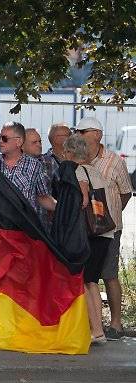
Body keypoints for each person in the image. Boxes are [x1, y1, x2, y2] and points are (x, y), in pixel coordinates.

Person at [75, 116, 132, 340]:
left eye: (83, 131)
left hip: (109, 229)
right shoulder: (78, 160)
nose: (78, 135)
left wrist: (111, 214)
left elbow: (126, 192)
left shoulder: (114, 161)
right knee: (88, 277)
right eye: (77, 132)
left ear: (97, 134)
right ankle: (92, 324)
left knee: (109, 274)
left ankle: (116, 324)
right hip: (85, 230)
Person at [62, 134, 115, 345]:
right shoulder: (95, 170)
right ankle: (98, 330)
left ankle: (95, 330)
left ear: (71, 153)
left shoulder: (78, 170)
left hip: (90, 233)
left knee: (83, 280)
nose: (64, 156)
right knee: (92, 280)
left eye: (66, 152)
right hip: (104, 232)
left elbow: (84, 198)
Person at [0, 122, 56, 220]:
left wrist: (64, 208)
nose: (0, 141)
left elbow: (42, 197)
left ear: (19, 142)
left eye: (4, 138)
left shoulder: (34, 166)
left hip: (24, 227)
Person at [40, 122, 71, 188]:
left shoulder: (77, 158)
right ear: (56, 138)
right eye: (69, 134)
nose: (73, 137)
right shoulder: (44, 162)